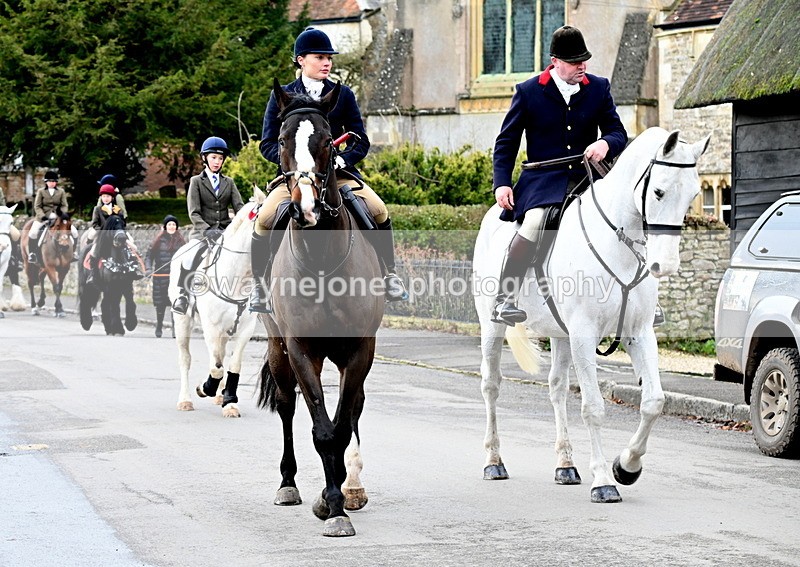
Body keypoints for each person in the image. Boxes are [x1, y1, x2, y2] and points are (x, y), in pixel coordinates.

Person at [249, 26, 408, 313]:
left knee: (379, 209)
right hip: (294, 178)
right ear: (301, 60)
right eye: (320, 57)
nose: (327, 63)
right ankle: (259, 287)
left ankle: (389, 274)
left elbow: (361, 139)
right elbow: (268, 144)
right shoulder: (282, 96)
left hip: (336, 175)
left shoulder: (342, 95)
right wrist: (294, 165)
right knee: (264, 219)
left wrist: (342, 160)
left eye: (329, 58)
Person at [490, 25, 628, 326]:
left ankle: (638, 299)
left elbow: (618, 132)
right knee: (537, 220)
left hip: (588, 177)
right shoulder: (528, 92)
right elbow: (507, 142)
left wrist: (605, 143)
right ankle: (505, 298)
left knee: (625, 216)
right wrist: (501, 183)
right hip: (544, 181)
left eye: (584, 59)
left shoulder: (599, 88)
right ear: (555, 61)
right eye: (576, 61)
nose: (583, 66)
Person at [171, 136, 244, 315]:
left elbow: (239, 207)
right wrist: (207, 230)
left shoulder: (229, 182)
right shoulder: (196, 181)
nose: (217, 162)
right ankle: (183, 295)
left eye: (220, 158)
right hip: (202, 233)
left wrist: (241, 223)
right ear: (205, 158)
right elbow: (193, 212)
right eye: (213, 157)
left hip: (226, 233)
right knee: (189, 257)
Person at [84, 184, 142, 285]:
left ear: (112, 197)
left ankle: (134, 270)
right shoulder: (97, 209)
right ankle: (93, 274)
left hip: (117, 233)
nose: (105, 199)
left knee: (132, 246)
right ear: (101, 197)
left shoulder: (117, 209)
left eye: (108, 196)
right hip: (102, 234)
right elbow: (95, 224)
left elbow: (123, 223)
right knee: (94, 251)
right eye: (104, 196)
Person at [27, 170, 79, 264]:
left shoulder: (61, 191)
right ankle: (32, 253)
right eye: (50, 181)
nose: (52, 183)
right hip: (43, 216)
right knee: (33, 233)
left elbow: (65, 205)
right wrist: (42, 216)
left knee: (74, 232)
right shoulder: (41, 191)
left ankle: (74, 252)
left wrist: (62, 214)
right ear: (46, 182)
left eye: (54, 181)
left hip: (58, 217)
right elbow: (37, 206)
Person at [146, 215, 185, 337]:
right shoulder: (158, 241)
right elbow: (149, 256)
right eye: (169, 225)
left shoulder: (181, 242)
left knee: (175, 303)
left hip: (175, 278)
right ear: (165, 226)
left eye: (174, 225)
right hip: (160, 277)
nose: (172, 227)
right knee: (160, 304)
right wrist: (148, 269)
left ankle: (175, 329)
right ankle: (159, 326)